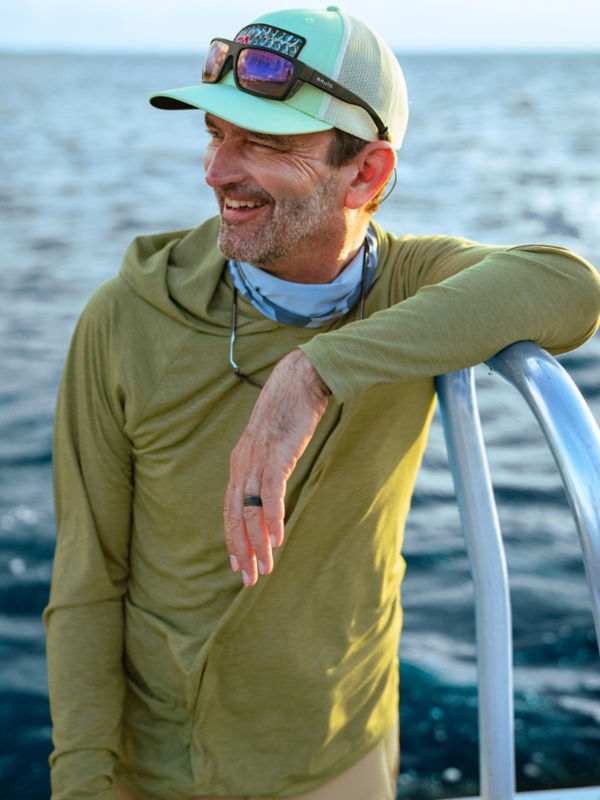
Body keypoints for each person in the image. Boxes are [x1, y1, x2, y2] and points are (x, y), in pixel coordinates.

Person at [44, 6, 600, 800]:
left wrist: (314, 371)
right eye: (215, 134)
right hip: (154, 767)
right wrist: (84, 784)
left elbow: (569, 285)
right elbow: (86, 583)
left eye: (264, 144)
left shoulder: (407, 287)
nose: (217, 171)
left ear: (367, 174)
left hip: (339, 755)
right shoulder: (127, 315)